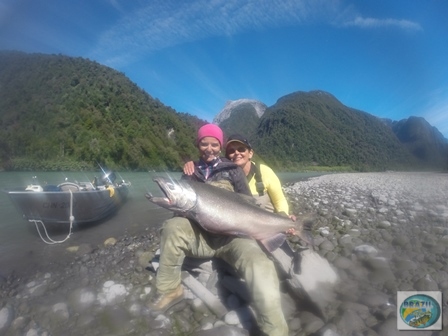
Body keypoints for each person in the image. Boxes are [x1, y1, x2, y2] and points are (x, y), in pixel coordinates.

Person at [149, 124, 289, 336]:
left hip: (234, 239)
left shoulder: (232, 170)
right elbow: (179, 209)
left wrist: (273, 224)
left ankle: (275, 330)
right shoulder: (190, 171)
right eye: (204, 143)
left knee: (259, 263)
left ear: (219, 146)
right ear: (198, 145)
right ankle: (170, 289)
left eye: (214, 144)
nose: (209, 148)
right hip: (201, 238)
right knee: (172, 225)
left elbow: (248, 202)